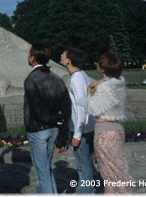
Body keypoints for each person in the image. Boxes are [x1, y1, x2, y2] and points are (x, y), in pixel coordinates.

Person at [24, 44, 71, 194]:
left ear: (32, 58)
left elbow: (35, 109)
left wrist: (52, 119)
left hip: (38, 128)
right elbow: (66, 107)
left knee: (42, 173)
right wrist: (60, 126)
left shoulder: (31, 79)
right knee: (46, 170)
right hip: (53, 128)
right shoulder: (56, 78)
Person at [86, 52, 136, 194]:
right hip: (117, 129)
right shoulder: (119, 84)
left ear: (102, 69)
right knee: (118, 168)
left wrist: (90, 92)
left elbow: (92, 108)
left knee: (109, 174)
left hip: (104, 132)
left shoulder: (102, 88)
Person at [60, 47, 96, 193]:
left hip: (82, 129)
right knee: (84, 166)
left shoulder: (76, 79)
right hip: (85, 127)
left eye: (64, 54)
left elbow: (81, 108)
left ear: (68, 60)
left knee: (84, 167)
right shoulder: (82, 75)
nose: (61, 55)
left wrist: (77, 134)